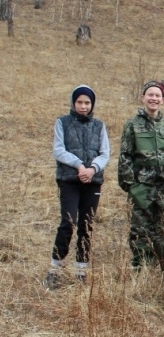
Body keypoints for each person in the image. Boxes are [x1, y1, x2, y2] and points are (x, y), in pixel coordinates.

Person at [46, 85, 111, 289]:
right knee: (68, 223)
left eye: (87, 102)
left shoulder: (99, 126)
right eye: (80, 102)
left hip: (92, 182)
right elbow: (59, 150)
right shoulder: (62, 123)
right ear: (73, 103)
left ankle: (81, 271)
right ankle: (54, 269)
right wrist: (79, 165)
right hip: (69, 181)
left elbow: (105, 153)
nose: (83, 106)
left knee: (86, 225)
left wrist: (92, 169)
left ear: (92, 104)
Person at [118, 80, 164, 271]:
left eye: (158, 95)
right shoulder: (132, 124)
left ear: (162, 100)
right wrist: (131, 185)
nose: (154, 98)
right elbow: (125, 156)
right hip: (142, 186)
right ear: (143, 98)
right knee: (140, 228)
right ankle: (141, 268)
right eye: (150, 95)